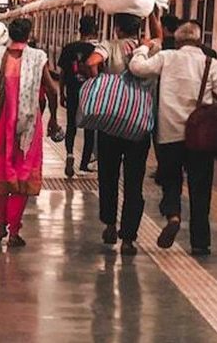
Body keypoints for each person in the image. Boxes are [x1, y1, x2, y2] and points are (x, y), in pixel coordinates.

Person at [130, 20, 217, 256]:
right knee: (200, 188)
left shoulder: (167, 57)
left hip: (169, 132)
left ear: (178, 40)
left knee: (171, 180)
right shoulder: (211, 63)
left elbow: (137, 68)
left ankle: (173, 216)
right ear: (199, 40)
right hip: (201, 136)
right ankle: (200, 242)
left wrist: (144, 47)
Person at [0, 18, 60, 248]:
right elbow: (52, 90)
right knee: (22, 173)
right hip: (26, 127)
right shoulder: (37, 57)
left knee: (1, 173)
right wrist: (53, 118)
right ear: (29, 34)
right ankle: (14, 232)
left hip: (0, 124)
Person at [85, 13, 148, 256]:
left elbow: (92, 62)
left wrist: (101, 83)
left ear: (118, 29)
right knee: (134, 182)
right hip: (139, 123)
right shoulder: (147, 48)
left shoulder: (109, 46)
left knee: (108, 176)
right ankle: (129, 238)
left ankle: (110, 225)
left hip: (112, 122)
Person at [57, 16, 100, 178]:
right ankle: (84, 164)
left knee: (71, 125)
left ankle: (69, 154)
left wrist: (62, 92)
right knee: (90, 128)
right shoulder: (95, 50)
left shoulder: (69, 48)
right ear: (93, 30)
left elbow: (62, 73)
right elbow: (97, 74)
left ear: (79, 29)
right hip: (89, 94)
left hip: (72, 91)